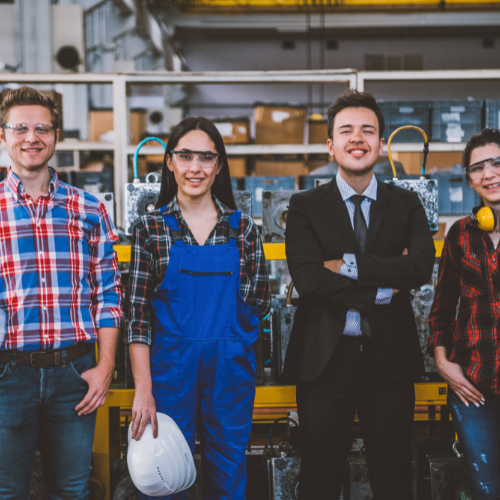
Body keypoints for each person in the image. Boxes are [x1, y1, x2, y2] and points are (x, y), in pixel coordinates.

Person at [284, 89, 435, 500]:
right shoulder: (304, 205)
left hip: (390, 361)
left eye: (368, 130)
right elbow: (309, 280)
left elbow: (421, 266)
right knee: (318, 478)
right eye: (346, 130)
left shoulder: (406, 204)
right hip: (324, 361)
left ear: (381, 144)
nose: (357, 138)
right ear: (330, 144)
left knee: (392, 478)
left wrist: (347, 265)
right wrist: (385, 285)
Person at [127, 116, 270, 500]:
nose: (195, 167)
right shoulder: (149, 229)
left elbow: (259, 305)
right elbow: (137, 318)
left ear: (219, 165)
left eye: (206, 157)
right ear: (170, 162)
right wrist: (144, 390)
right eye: (186, 156)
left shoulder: (244, 231)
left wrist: (232, 349)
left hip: (229, 375)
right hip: (169, 374)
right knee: (164, 480)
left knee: (228, 479)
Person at [0, 86, 124, 499]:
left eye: (42, 128)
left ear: (56, 136)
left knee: (71, 491)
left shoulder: (88, 208)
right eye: (20, 128)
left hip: (74, 373)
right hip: (6, 375)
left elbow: (108, 294)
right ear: (3, 136)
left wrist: (105, 367)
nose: (31, 137)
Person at [429, 128, 500, 500]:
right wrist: (443, 362)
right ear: (469, 179)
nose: (489, 173)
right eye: (478, 168)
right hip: (475, 389)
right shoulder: (459, 235)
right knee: (488, 490)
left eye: (497, 162)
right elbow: (442, 306)